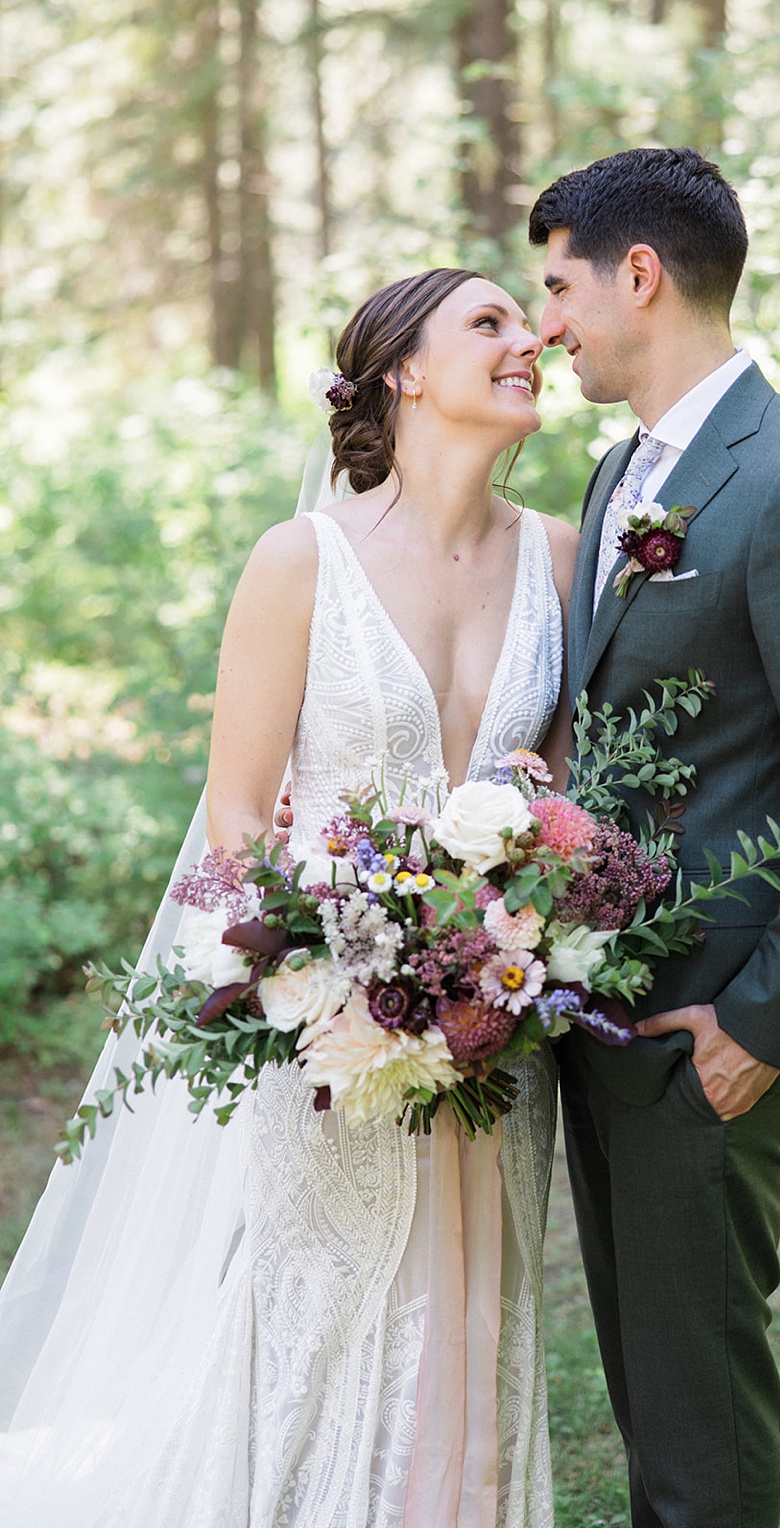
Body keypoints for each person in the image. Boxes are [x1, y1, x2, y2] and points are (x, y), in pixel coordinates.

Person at [0, 268, 577, 1528]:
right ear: (403, 372)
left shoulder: (560, 556)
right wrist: (331, 977)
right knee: (317, 1309)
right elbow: (234, 812)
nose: (526, 340)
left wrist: (506, 952)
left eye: (523, 321)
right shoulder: (301, 560)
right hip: (333, 1027)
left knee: (477, 1307)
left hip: (494, 1019)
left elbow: (560, 805)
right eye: (487, 323)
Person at [527, 147, 780, 1528]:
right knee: (650, 1389)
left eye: (558, 288)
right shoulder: (615, 476)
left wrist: (762, 1022)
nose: (546, 325)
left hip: (713, 1024)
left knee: (698, 1413)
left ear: (638, 273)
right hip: (607, 1008)